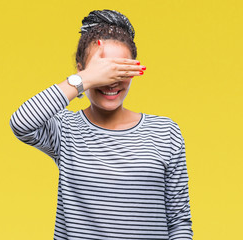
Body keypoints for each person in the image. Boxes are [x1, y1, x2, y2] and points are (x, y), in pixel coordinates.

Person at [10, 9, 193, 240]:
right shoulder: (66, 129)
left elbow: (178, 221)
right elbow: (21, 122)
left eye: (120, 70)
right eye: (104, 71)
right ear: (81, 70)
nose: (111, 81)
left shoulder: (165, 132)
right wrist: (85, 79)